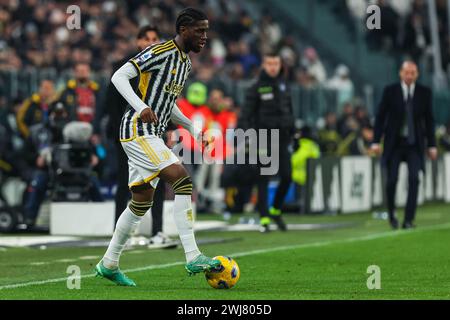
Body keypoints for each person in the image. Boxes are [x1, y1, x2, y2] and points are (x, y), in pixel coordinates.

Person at [95, 8, 221, 286]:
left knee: (141, 202)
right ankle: (193, 255)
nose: (204, 37)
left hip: (151, 133)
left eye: (206, 31)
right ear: (184, 29)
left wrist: (191, 128)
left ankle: (109, 263)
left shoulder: (185, 63)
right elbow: (118, 76)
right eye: (200, 30)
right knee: (182, 179)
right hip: (138, 130)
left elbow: (168, 104)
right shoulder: (160, 51)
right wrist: (140, 107)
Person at [104, 25, 175, 248]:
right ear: (138, 42)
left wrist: (169, 129)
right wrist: (119, 133)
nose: (151, 42)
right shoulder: (123, 67)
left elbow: (165, 102)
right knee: (125, 183)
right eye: (147, 39)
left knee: (159, 181)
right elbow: (112, 104)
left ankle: (158, 232)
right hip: (127, 135)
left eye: (155, 38)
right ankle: (120, 236)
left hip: (153, 133)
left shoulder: (161, 66)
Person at [371, 61, 437, 230]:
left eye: (413, 72)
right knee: (392, 180)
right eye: (407, 72)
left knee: (414, 179)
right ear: (400, 73)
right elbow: (380, 117)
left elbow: (429, 120)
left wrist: (432, 145)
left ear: (417, 74)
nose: (409, 75)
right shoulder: (390, 91)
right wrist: (376, 141)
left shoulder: (424, 93)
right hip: (395, 144)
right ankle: (392, 213)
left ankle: (408, 219)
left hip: (414, 144)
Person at [239, 51, 295, 233]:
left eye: (276, 63)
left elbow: (289, 111)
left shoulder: (283, 85)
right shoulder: (256, 87)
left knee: (287, 177)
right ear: (264, 65)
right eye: (269, 63)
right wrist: (247, 137)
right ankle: (264, 217)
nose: (273, 67)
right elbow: (246, 115)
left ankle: (276, 209)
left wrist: (294, 133)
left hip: (283, 137)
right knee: (263, 178)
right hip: (262, 137)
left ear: (280, 65)